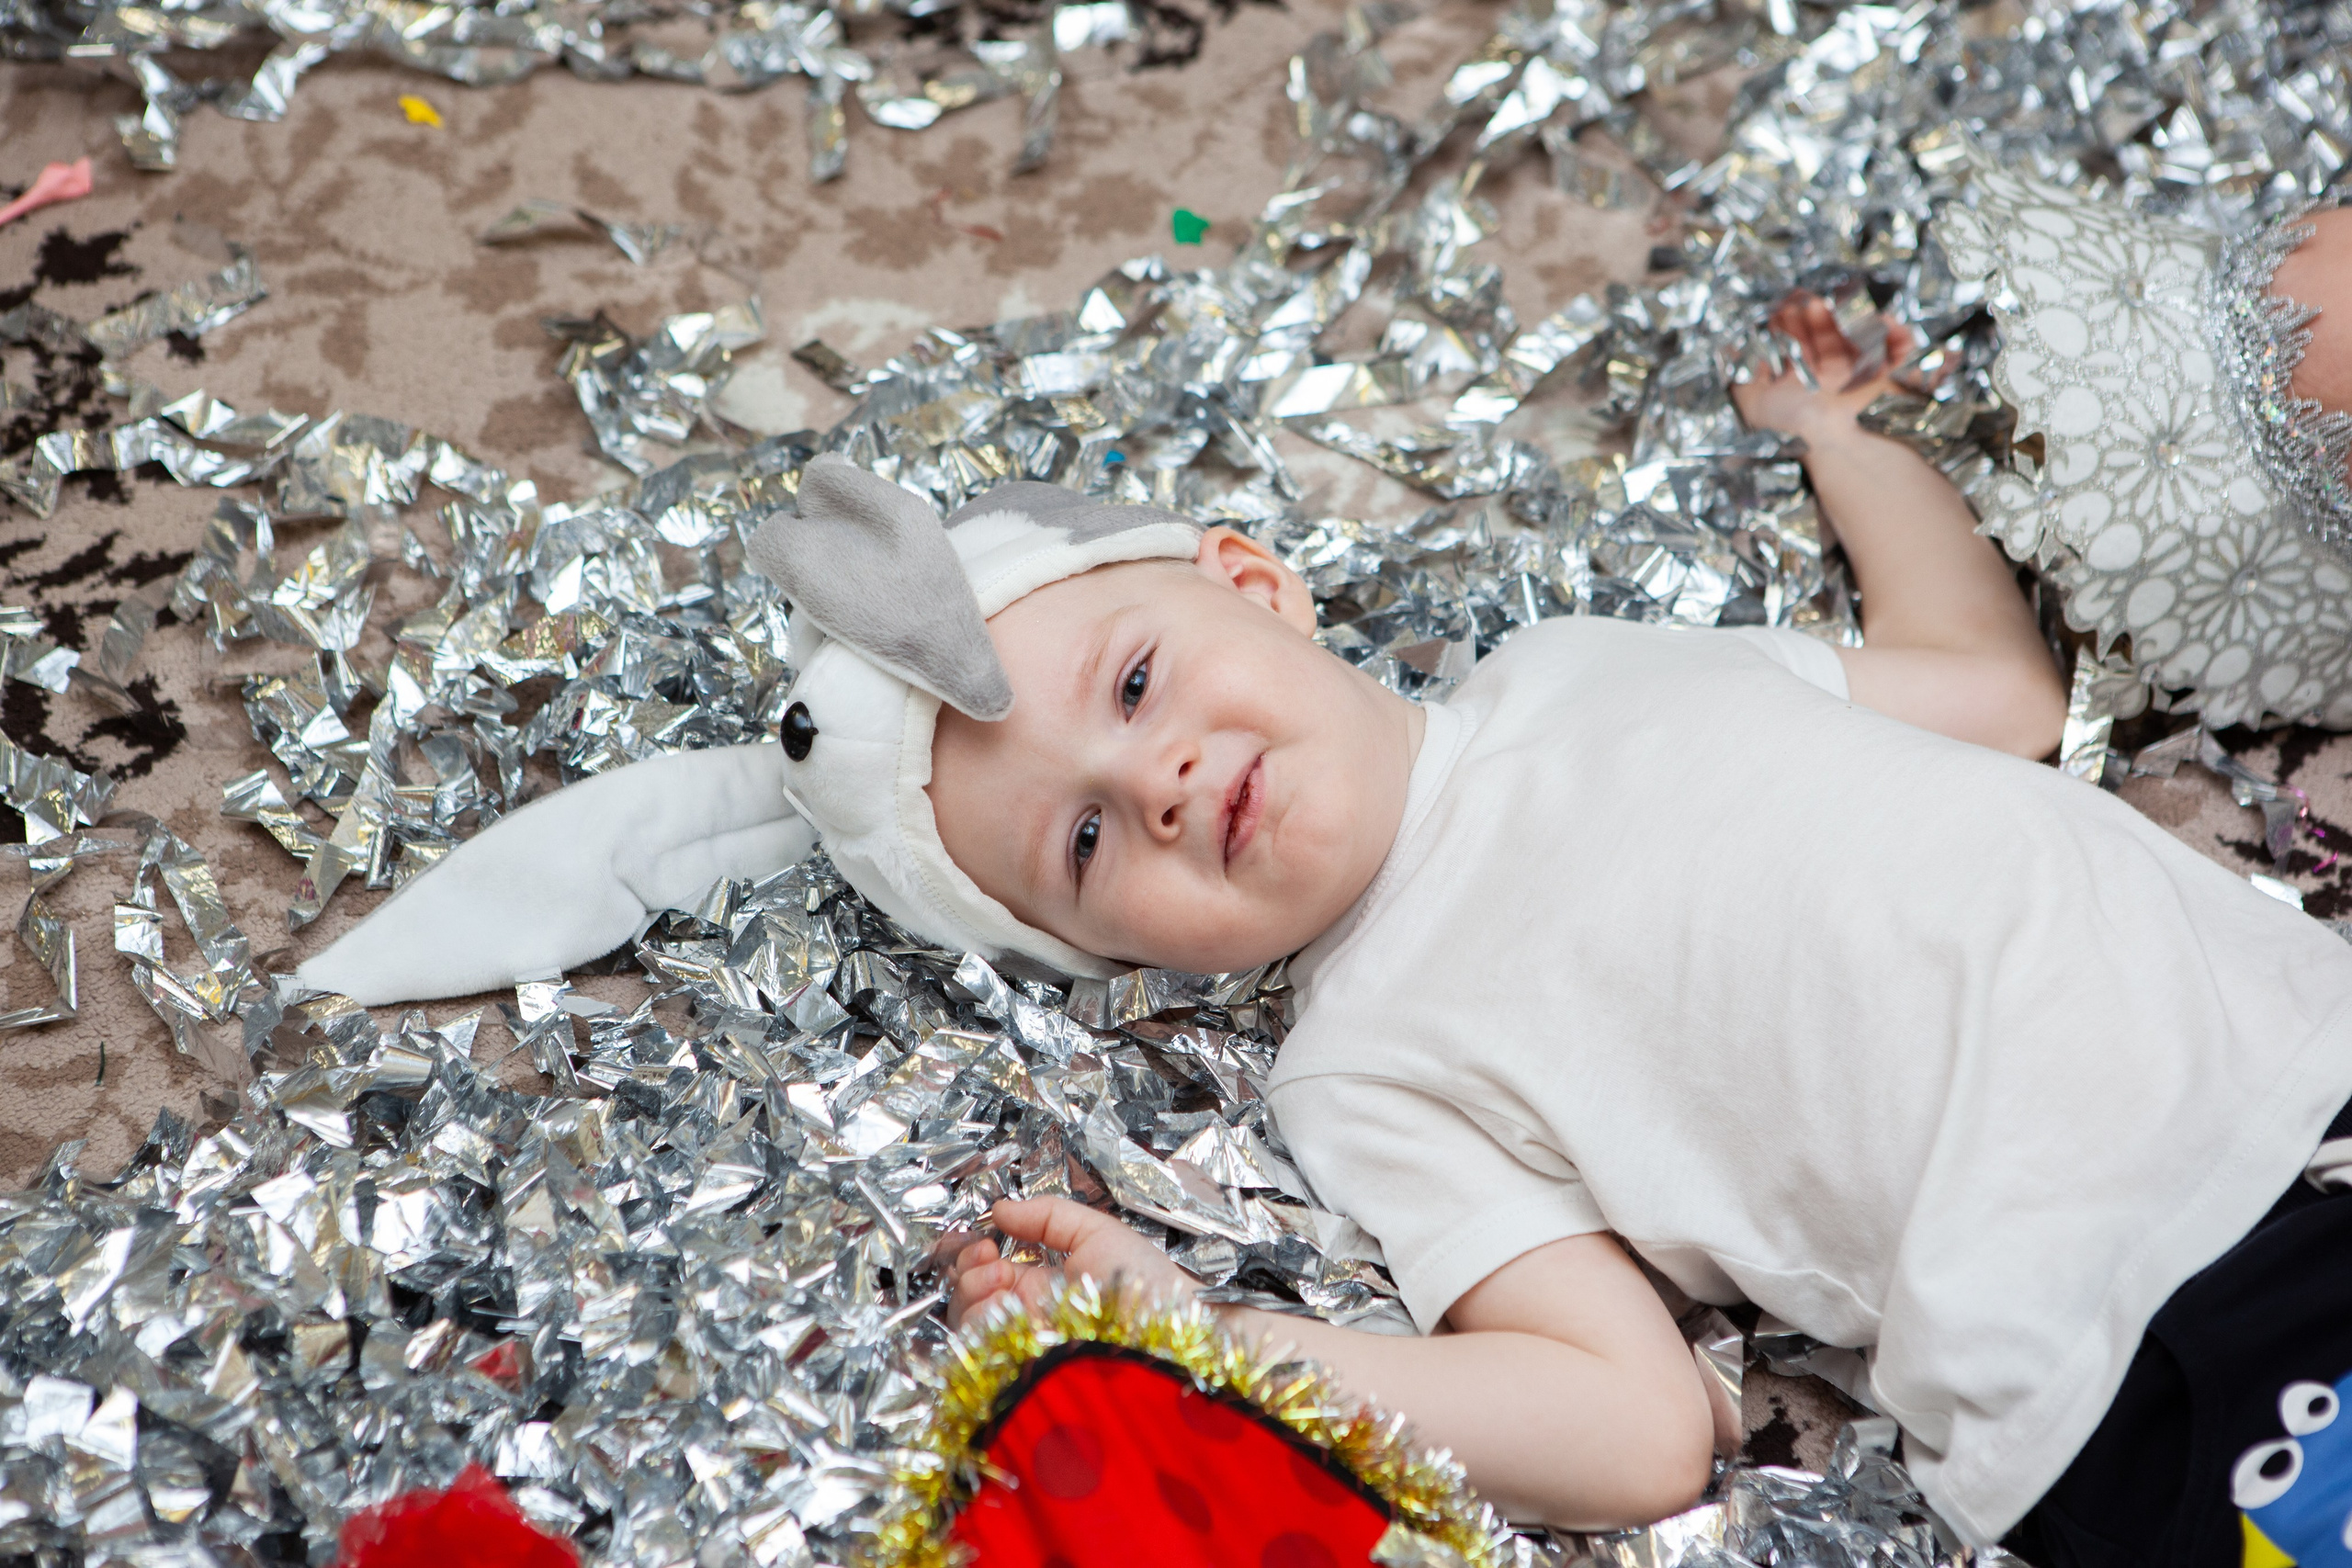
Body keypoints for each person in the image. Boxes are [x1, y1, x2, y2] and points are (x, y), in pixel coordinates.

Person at [929, 284, 2352, 1562]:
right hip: (2122, 1339)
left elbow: (1996, 692)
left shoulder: (1583, 667)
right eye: (1089, 839)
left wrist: (1847, 434)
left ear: (1255, 586)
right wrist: (1204, 1348)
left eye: (1132, 688)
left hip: (2308, 1064)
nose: (1153, 782)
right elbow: (1636, 1428)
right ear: (1116, 956)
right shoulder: (1358, 1061)